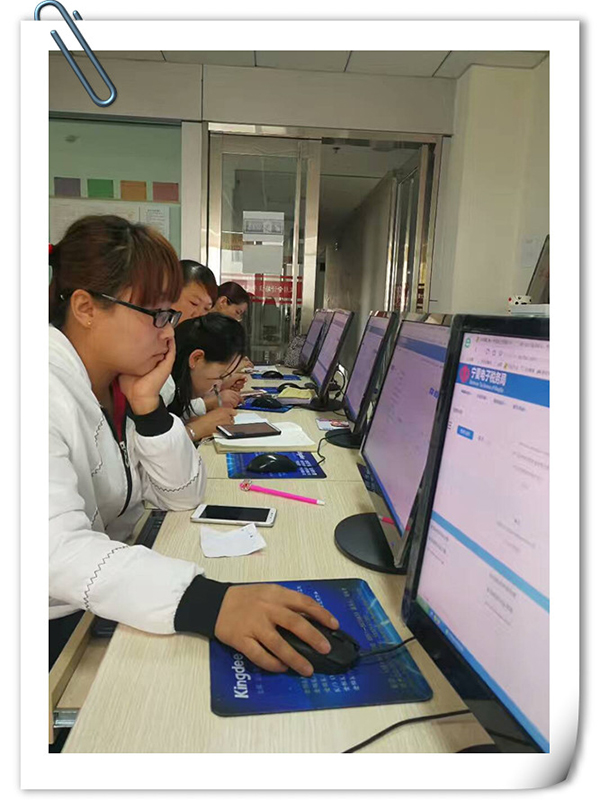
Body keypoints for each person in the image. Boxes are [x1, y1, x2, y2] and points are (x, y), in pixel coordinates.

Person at [48, 214, 339, 677]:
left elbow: (182, 495)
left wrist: (149, 409)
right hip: (55, 631)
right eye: (158, 316)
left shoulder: (122, 386)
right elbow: (54, 552)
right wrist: (211, 603)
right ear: (86, 308)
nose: (171, 333)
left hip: (103, 596)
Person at [169, 313, 246, 441]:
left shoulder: (177, 385)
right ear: (196, 359)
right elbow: (153, 446)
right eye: (220, 376)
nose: (218, 387)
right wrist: (197, 429)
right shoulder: (163, 386)